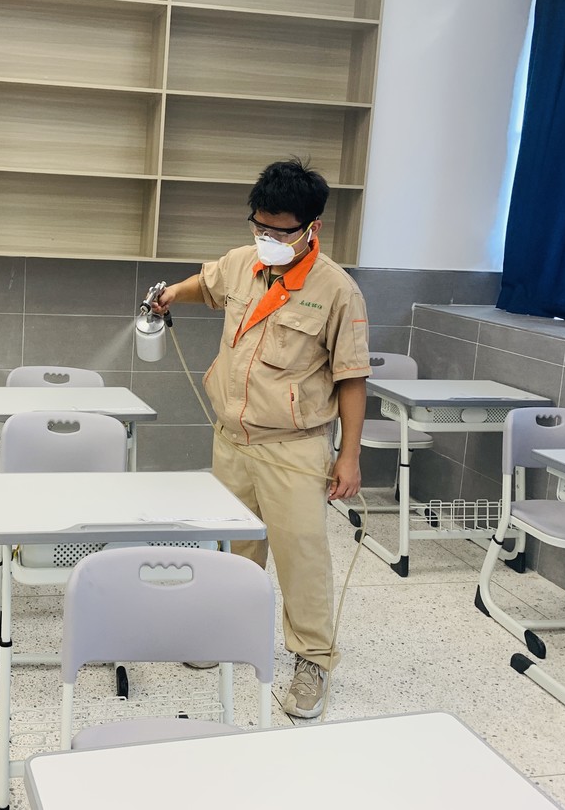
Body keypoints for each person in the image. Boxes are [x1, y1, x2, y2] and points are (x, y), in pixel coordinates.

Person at [152, 158, 370, 718]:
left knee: (301, 556)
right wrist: (173, 293)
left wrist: (349, 456)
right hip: (233, 439)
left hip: (294, 447)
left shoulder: (337, 291)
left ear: (312, 227)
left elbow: (351, 378)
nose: (268, 238)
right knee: (232, 548)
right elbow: (208, 284)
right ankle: (225, 632)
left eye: (280, 231)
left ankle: (312, 660)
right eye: (260, 226)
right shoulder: (242, 263)